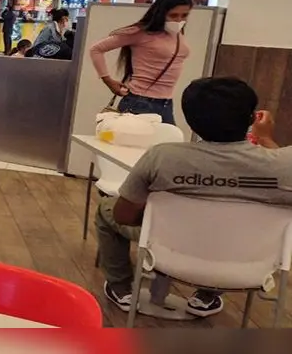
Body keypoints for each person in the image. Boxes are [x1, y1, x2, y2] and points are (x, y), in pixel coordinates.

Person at [96, 77, 292, 318]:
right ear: (252, 118)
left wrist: (159, 217)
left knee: (106, 208)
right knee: (227, 231)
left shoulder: (163, 157)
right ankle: (207, 295)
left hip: (169, 256)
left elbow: (123, 216)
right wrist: (265, 139)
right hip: (249, 265)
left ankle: (120, 288)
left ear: (190, 120)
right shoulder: (285, 164)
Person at [89, 0, 193, 125]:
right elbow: (96, 49)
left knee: (165, 143)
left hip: (166, 103)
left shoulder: (177, 34)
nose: (179, 20)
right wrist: (107, 80)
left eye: (184, 15)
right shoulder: (141, 33)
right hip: (140, 101)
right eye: (173, 15)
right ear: (161, 13)